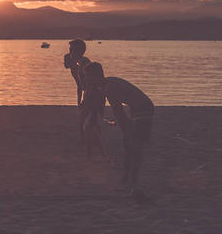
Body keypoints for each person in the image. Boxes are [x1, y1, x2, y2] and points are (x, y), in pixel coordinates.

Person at [82, 63, 154, 197]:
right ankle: (126, 180)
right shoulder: (105, 85)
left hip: (144, 109)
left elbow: (119, 113)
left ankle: (132, 183)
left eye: (87, 76)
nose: (85, 79)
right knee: (128, 144)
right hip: (136, 110)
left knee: (135, 146)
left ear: (96, 76)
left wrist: (125, 130)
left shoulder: (110, 88)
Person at [63, 39, 91, 106]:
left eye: (71, 50)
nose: (69, 52)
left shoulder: (83, 62)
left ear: (77, 51)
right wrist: (79, 102)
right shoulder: (74, 63)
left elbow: (88, 85)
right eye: (70, 49)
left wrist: (83, 101)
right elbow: (79, 85)